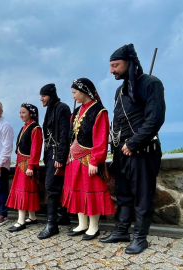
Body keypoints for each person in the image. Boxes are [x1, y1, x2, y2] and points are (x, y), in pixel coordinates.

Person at [100, 44, 165, 254]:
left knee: (143, 195)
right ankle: (121, 230)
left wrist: (133, 143)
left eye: (115, 65)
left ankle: (140, 237)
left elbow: (155, 118)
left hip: (141, 150)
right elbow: (118, 121)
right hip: (121, 152)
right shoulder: (120, 91)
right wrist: (117, 148)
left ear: (129, 63)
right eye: (110, 66)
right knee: (123, 193)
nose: (112, 71)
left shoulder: (151, 83)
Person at [61, 78, 116, 241]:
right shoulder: (76, 112)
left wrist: (95, 160)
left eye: (75, 92)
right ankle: (82, 224)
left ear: (84, 91)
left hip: (88, 160)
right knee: (77, 190)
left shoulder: (99, 111)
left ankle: (93, 227)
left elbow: (100, 138)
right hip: (74, 159)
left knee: (91, 191)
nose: (73, 96)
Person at [37, 84, 71, 239]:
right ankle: (62, 216)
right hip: (50, 153)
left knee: (52, 186)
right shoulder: (50, 110)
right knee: (56, 186)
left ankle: (52, 225)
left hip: (57, 154)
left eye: (43, 96)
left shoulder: (62, 108)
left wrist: (60, 156)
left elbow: (65, 134)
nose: (41, 99)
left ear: (50, 95)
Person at [6, 103, 43, 232]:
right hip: (21, 163)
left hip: (27, 164)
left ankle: (21, 221)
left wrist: (31, 166)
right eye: (20, 113)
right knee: (27, 190)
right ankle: (32, 217)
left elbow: (36, 149)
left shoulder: (35, 128)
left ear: (31, 114)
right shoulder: (25, 127)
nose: (21, 115)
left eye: (23, 112)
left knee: (23, 190)